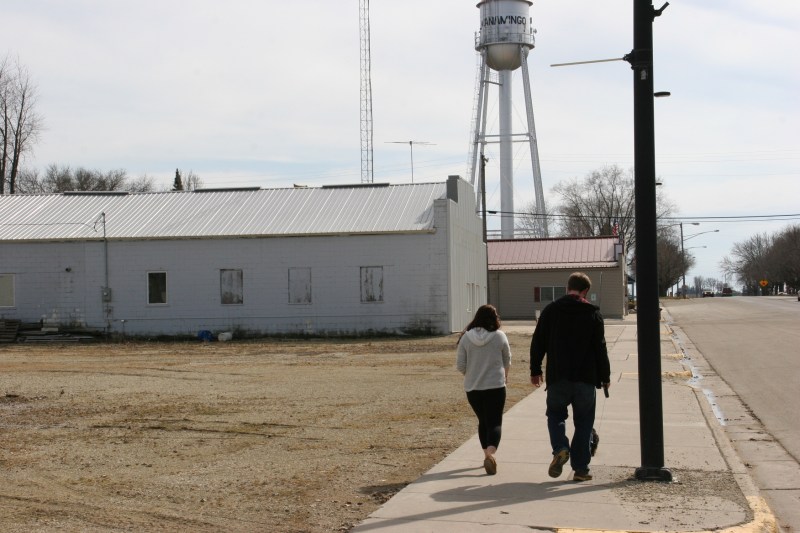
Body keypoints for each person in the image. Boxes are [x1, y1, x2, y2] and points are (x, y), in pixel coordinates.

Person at [530, 272, 610, 482]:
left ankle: (561, 448)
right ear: (585, 291)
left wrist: (535, 369)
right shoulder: (593, 313)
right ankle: (581, 469)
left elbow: (538, 341)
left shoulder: (551, 311)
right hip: (585, 378)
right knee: (584, 422)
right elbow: (600, 348)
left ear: (568, 288)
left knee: (555, 415)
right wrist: (605, 376)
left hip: (558, 376)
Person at [456, 304, 511, 475]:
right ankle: (490, 454)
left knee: (483, 421)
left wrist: (471, 373)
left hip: (473, 388)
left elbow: (460, 365)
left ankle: (486, 455)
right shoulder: (499, 336)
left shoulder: (466, 338)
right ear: (494, 318)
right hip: (495, 385)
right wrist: (505, 376)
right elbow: (507, 360)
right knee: (495, 421)